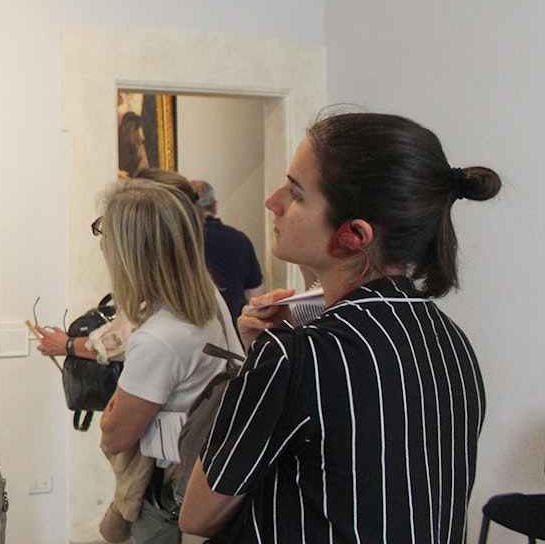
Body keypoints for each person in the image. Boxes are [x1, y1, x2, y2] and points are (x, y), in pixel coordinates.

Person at [180, 112, 501, 543]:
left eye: (295, 194)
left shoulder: (301, 355)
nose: (272, 201)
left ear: (354, 235)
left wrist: (261, 365)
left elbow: (197, 516)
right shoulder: (452, 343)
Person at [93, 178, 241, 544]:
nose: (100, 242)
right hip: (203, 475)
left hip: (170, 496)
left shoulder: (158, 337)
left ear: (129, 250)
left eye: (103, 231)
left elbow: (115, 434)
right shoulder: (205, 304)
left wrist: (114, 411)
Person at [35, 168, 199, 363]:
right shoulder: (184, 286)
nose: (104, 243)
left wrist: (68, 345)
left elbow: (123, 341)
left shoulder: (161, 321)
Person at [191, 179, 265, 326]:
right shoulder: (240, 240)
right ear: (215, 206)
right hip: (233, 334)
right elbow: (256, 298)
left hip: (191, 333)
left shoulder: (183, 241)